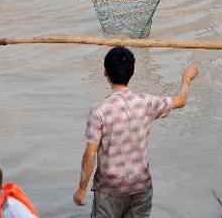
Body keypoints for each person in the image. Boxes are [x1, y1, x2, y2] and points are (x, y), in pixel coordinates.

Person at [74, 47, 199, 218]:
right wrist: (186, 79)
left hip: (110, 190)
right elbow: (181, 100)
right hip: (141, 186)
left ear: (105, 73)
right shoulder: (146, 102)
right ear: (132, 72)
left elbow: (90, 154)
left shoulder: (99, 111)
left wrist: (82, 189)